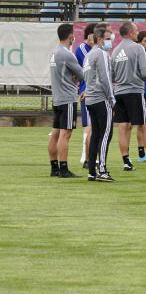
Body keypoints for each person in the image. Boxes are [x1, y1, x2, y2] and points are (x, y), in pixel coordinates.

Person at [110, 22, 146, 172]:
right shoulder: (137, 48)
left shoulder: (115, 51)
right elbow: (145, 73)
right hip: (135, 91)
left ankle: (126, 162)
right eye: (136, 31)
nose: (137, 33)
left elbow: (112, 76)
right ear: (130, 33)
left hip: (119, 92)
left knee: (123, 127)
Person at [48, 23, 84, 178]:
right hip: (67, 98)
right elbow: (82, 74)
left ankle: (54, 168)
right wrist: (76, 77)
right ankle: (64, 169)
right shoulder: (67, 54)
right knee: (65, 134)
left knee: (55, 134)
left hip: (57, 98)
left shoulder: (54, 52)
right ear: (71, 36)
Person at [83, 24, 116, 182]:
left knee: (96, 134)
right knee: (106, 134)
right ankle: (102, 169)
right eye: (107, 39)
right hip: (101, 98)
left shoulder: (89, 54)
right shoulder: (102, 53)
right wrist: (112, 98)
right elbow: (105, 78)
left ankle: (91, 170)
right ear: (99, 39)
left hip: (90, 98)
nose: (110, 42)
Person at [75, 23, 94, 168]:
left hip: (94, 91)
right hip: (86, 91)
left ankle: (90, 156)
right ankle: (85, 156)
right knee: (89, 125)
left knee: (93, 125)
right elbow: (91, 67)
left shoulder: (95, 49)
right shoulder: (82, 48)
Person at [135, 31, 146, 163]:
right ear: (139, 41)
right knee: (145, 124)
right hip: (140, 92)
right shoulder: (142, 55)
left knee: (140, 124)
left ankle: (141, 154)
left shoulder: (144, 55)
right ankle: (145, 154)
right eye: (145, 41)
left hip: (140, 92)